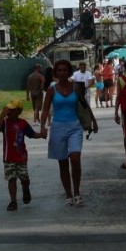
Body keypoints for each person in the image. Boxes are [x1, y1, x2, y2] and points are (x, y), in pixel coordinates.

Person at [40, 60, 97, 207]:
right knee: (63, 162)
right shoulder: (52, 90)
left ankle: (77, 192)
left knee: (75, 158)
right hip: (57, 127)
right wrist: (42, 126)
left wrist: (93, 121)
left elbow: (84, 104)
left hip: (74, 127)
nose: (62, 73)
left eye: (65, 70)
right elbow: (45, 109)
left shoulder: (76, 87)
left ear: (69, 72)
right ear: (56, 73)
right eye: (59, 70)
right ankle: (68, 194)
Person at [0, 99, 44, 211]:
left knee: (24, 178)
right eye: (8, 109)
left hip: (21, 157)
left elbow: (32, 134)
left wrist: (41, 135)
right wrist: (2, 115)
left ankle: (25, 188)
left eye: (12, 110)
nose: (9, 112)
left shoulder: (23, 123)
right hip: (9, 157)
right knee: (11, 179)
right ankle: (13, 201)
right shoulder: (5, 123)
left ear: (18, 111)